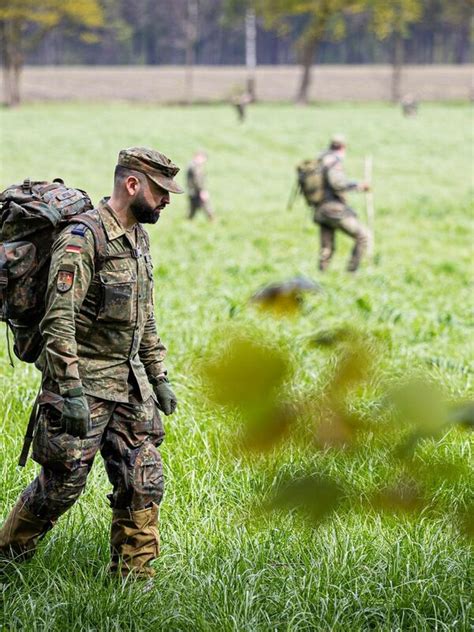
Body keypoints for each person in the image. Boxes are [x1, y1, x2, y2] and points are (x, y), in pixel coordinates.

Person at [0, 147, 183, 580]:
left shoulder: (138, 236)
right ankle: (6, 556)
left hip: (131, 384)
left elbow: (145, 316)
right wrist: (71, 392)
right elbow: (57, 321)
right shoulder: (83, 239)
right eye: (160, 190)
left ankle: (133, 581)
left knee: (143, 480)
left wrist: (159, 377)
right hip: (84, 384)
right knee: (61, 486)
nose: (168, 200)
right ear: (132, 184)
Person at [313, 134, 370, 272]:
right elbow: (337, 183)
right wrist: (358, 185)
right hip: (333, 209)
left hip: (320, 209)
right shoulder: (333, 161)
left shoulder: (321, 160)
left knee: (327, 247)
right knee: (363, 236)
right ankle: (351, 273)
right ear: (343, 147)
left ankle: (322, 276)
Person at [186, 150, 214, 221]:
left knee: (192, 211)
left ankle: (188, 223)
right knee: (207, 208)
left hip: (193, 191)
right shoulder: (195, 167)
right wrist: (202, 191)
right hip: (196, 192)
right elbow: (197, 180)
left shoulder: (192, 165)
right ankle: (213, 222)